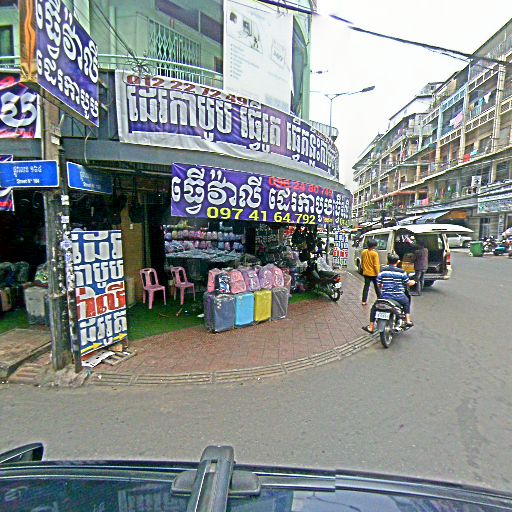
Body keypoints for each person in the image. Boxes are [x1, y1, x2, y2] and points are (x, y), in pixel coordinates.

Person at [362, 253, 415, 334]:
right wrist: (413, 282)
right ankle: (407, 320)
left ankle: (371, 327)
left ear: (388, 261)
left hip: (385, 296)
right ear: (398, 262)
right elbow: (407, 283)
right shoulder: (402, 272)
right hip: (399, 296)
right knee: (406, 302)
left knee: (374, 307)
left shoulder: (382, 271)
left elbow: (379, 284)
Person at [361, 239, 381, 305]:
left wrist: (364, 269)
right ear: (374, 246)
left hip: (366, 273)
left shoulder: (364, 252)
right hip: (374, 274)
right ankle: (380, 299)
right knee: (377, 287)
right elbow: (376, 265)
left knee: (366, 287)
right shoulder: (375, 254)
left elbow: (362, 262)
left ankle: (364, 301)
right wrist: (378, 274)